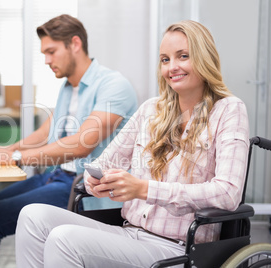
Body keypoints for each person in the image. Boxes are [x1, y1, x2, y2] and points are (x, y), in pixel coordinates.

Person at [15, 20, 250, 267]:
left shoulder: (229, 110)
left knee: (64, 239)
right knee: (32, 216)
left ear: (204, 58)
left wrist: (144, 189)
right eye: (165, 59)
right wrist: (96, 181)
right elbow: (103, 162)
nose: (172, 67)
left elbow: (228, 193)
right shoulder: (151, 109)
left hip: (176, 246)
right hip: (129, 232)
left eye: (183, 56)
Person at [0, 14, 138, 268]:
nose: (46, 61)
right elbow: (47, 132)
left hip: (83, 188)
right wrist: (5, 149)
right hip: (56, 176)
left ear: (75, 44)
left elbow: (82, 144)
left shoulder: (113, 86)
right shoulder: (69, 87)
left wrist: (14, 158)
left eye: (51, 52)